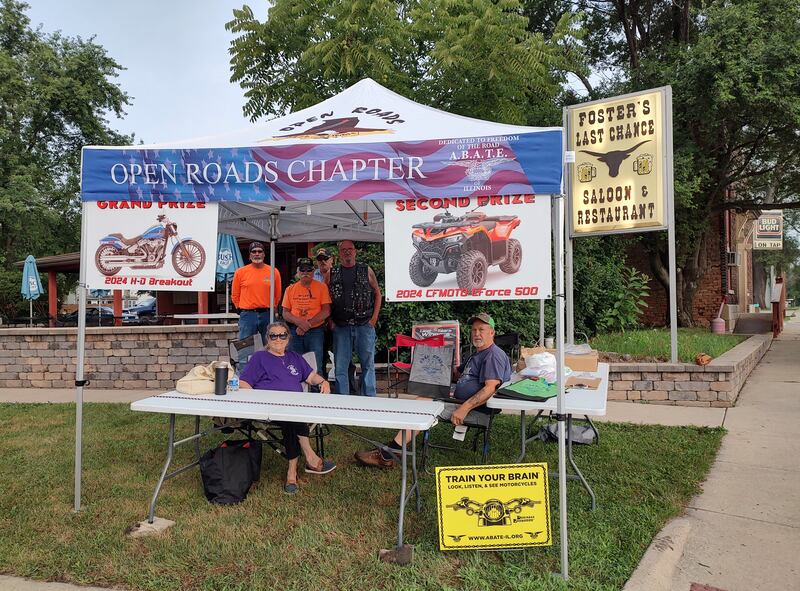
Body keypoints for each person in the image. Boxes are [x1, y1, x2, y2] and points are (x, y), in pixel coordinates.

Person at [354, 312, 511, 468]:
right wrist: (436, 362)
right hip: (458, 401)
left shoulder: (493, 355)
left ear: (492, 332)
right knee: (420, 402)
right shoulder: (476, 354)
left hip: (476, 411)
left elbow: (490, 388)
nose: (476, 333)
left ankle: (387, 455)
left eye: (481, 330)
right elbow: (456, 374)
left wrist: (464, 408)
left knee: (422, 409)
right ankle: (393, 449)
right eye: (474, 330)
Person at [239, 321, 336, 493]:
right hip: (268, 408)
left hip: (294, 406)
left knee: (293, 417)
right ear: (267, 339)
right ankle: (304, 462)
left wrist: (323, 381)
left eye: (282, 335)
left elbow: (311, 376)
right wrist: (259, 400)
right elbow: (243, 383)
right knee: (291, 418)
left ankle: (297, 466)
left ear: (288, 338)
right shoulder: (259, 358)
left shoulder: (295, 357)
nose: (278, 339)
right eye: (273, 335)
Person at [327, 240, 382, 396]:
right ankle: (343, 401)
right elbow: (325, 299)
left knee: (368, 365)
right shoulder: (332, 273)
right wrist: (330, 321)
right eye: (344, 250)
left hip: (364, 324)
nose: (347, 252)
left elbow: (378, 293)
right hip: (341, 326)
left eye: (350, 249)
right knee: (341, 366)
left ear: (355, 251)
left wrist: (374, 319)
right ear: (339, 253)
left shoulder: (366, 270)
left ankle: (369, 399)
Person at [282, 257, 331, 373]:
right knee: (294, 363)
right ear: (298, 272)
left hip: (315, 331)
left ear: (313, 271)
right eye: (302, 270)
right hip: (295, 330)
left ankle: (316, 390)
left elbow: (326, 311)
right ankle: (297, 389)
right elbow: (285, 312)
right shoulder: (290, 289)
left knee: (316, 364)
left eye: (308, 270)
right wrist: (300, 323)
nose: (305, 273)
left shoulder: (322, 287)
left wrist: (307, 324)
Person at [231, 241, 282, 343]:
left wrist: (272, 308)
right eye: (254, 252)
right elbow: (235, 295)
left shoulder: (273, 271)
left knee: (270, 345)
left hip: (267, 314)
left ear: (264, 254)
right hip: (247, 315)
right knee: (245, 347)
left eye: (260, 251)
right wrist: (241, 310)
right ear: (250, 255)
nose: (257, 254)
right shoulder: (240, 272)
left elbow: (277, 294)